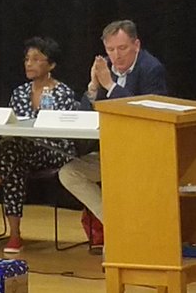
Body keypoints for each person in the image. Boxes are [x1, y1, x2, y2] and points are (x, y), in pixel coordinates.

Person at [0, 37, 78, 253]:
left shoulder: (63, 93)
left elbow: (63, 131)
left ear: (51, 65)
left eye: (36, 59)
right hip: (23, 151)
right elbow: (12, 125)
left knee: (14, 153)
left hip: (56, 150)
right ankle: (14, 236)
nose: (29, 64)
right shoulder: (19, 93)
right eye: (27, 59)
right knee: (14, 160)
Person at [59, 19, 167, 253]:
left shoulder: (151, 69)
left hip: (144, 153)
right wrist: (93, 88)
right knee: (69, 173)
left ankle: (128, 235)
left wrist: (110, 85)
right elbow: (84, 117)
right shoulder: (106, 67)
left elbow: (146, 113)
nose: (116, 56)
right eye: (110, 49)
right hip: (112, 150)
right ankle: (117, 227)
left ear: (136, 45)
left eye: (122, 48)